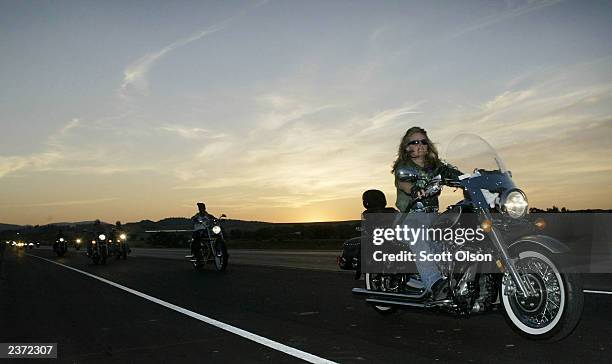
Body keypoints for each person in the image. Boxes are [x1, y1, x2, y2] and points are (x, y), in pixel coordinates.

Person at [391, 126, 462, 299]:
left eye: (423, 141)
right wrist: (414, 189)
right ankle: (435, 284)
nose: (420, 145)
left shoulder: (435, 167)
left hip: (433, 218)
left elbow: (455, 175)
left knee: (454, 239)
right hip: (409, 218)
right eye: (415, 142)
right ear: (406, 147)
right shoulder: (404, 167)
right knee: (419, 239)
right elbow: (403, 183)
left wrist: (475, 178)